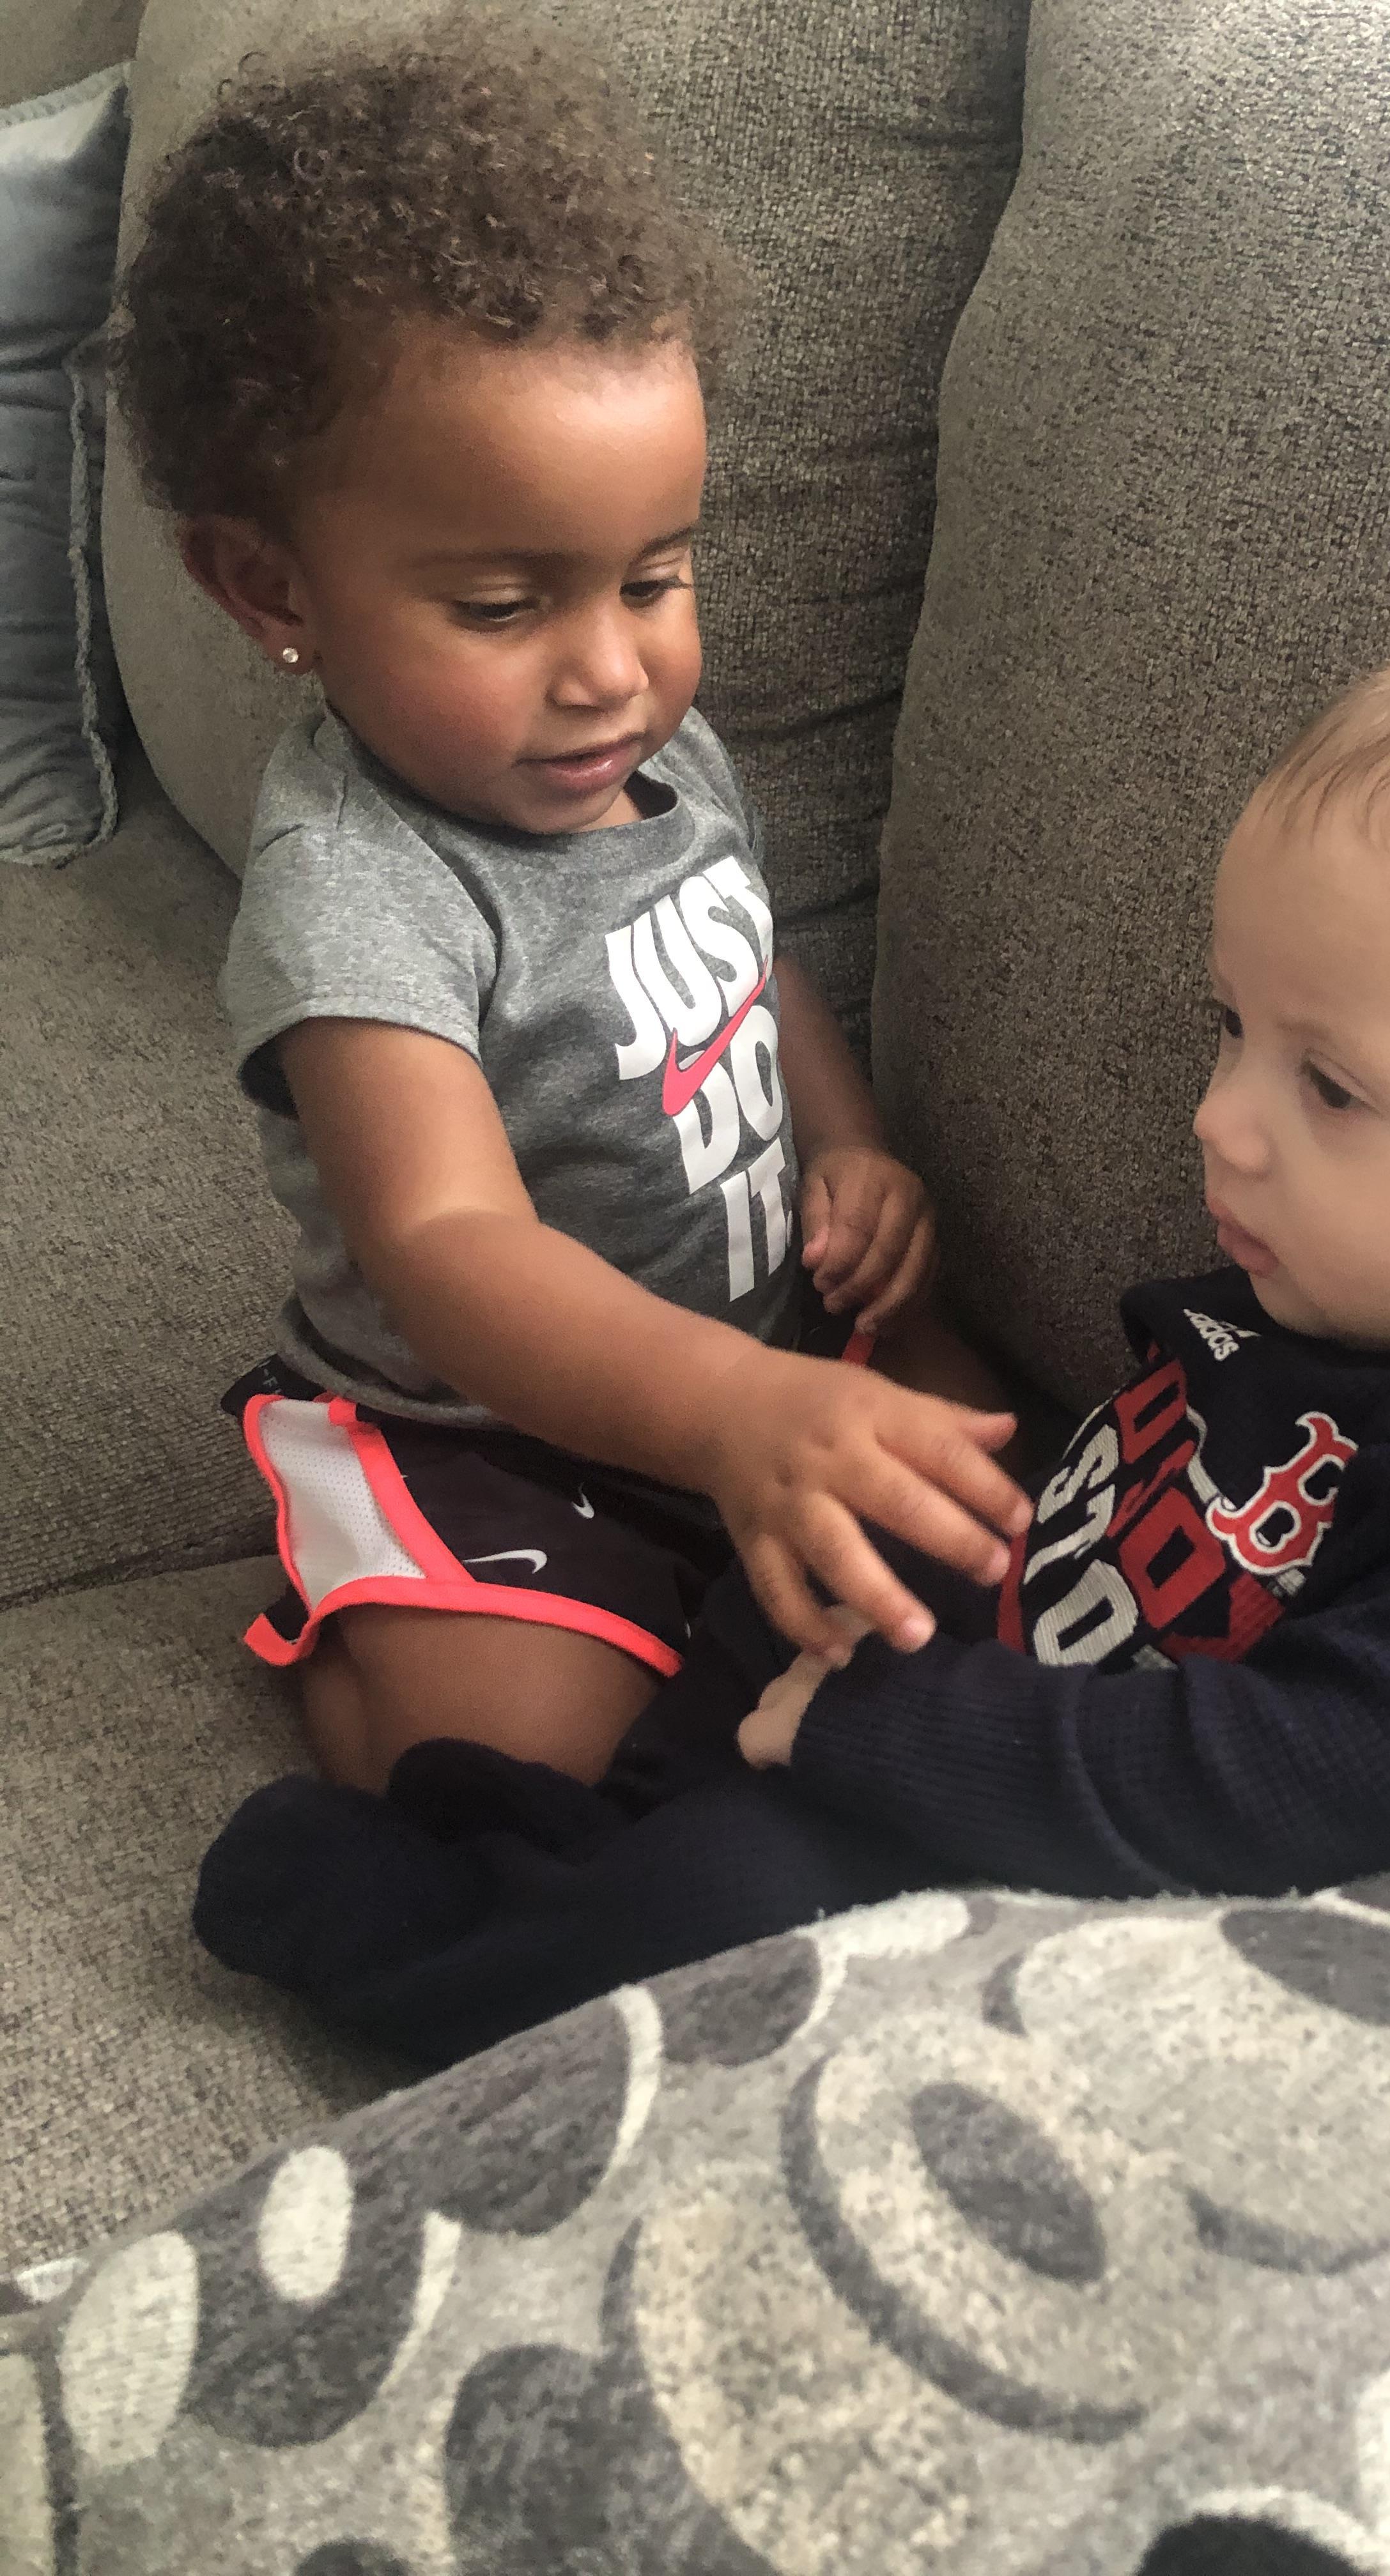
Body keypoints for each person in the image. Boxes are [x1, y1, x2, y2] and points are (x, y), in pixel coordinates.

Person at [196, 585, 1390, 2069]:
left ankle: (408, 1935)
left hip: (1028, 1823)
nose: (1221, 1123)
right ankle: (578, 1832)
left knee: (723, 1909)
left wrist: (876, 1731)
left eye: (1331, 1086)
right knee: (730, 1717)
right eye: (1235, 1031)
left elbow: (1305, 1778)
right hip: (977, 1659)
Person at [109, 26, 1031, 1798]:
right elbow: (451, 1253)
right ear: (267, 583)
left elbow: (747, 960)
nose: (614, 672)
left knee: (1009, 1499)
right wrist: (734, 1417)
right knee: (518, 1759)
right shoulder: (357, 895)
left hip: (759, 1346)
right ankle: (360, 1647)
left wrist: (852, 1153)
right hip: (484, 1427)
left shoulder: (659, 747)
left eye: (656, 577)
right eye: (506, 602)